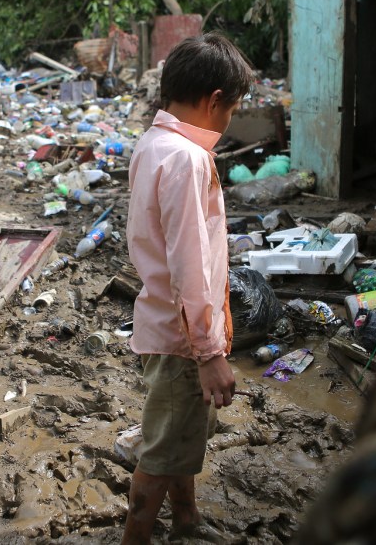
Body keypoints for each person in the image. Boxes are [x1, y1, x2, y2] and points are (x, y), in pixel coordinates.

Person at [122, 33, 254, 544]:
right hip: (182, 340)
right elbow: (191, 266)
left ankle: (186, 522)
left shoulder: (153, 143)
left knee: (180, 439)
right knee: (159, 455)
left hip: (160, 320)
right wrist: (209, 352)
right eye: (232, 109)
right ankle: (135, 537)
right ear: (213, 100)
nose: (229, 121)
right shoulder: (187, 159)